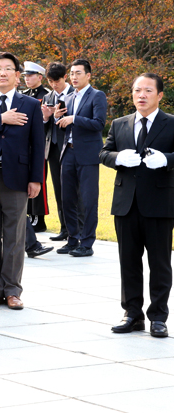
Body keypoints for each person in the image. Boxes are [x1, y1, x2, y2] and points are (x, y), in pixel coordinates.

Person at [100, 73, 173, 338]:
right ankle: (132, 314)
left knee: (160, 264)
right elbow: (103, 153)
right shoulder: (120, 123)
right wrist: (118, 157)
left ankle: (158, 317)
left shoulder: (171, 124)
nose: (141, 95)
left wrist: (166, 159)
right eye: (137, 90)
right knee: (128, 262)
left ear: (160, 95)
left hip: (159, 205)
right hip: (125, 204)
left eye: (148, 91)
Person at [0, 52, 44, 311]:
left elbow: (38, 145)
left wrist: (36, 179)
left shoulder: (30, 105)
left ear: (18, 76)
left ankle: (13, 290)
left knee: (15, 235)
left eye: (8, 69)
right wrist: (0, 120)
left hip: (17, 178)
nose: (2, 73)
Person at [54, 59, 107, 257]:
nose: (74, 77)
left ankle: (87, 243)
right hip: (68, 152)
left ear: (88, 75)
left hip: (88, 155)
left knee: (88, 199)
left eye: (78, 73)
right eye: (72, 74)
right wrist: (55, 118)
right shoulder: (68, 98)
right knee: (67, 198)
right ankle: (72, 239)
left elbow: (99, 123)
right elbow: (62, 122)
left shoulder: (97, 95)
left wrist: (74, 119)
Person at [40, 62, 75, 242]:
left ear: (65, 77)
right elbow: (43, 126)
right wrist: (46, 118)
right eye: (51, 81)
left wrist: (61, 116)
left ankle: (75, 229)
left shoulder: (74, 95)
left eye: (57, 81)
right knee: (58, 189)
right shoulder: (47, 97)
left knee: (72, 190)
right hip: (52, 148)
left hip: (69, 148)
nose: (54, 85)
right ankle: (64, 228)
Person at [21, 61, 50, 233]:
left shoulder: (46, 95)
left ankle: (39, 217)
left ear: (40, 77)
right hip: (23, 143)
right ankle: (29, 214)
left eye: (30, 76)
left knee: (39, 180)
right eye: (25, 76)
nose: (27, 79)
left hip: (40, 141)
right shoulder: (23, 94)